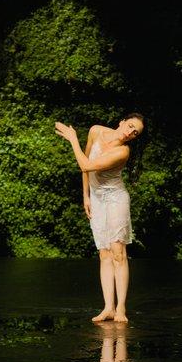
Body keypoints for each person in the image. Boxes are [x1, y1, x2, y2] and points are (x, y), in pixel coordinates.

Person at [55, 114, 144, 323]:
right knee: (104, 253)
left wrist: (72, 139)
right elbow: (84, 166)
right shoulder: (96, 131)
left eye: (135, 132)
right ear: (122, 122)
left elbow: (86, 165)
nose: (130, 132)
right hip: (97, 199)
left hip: (115, 198)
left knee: (118, 252)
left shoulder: (123, 152)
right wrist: (86, 195)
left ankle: (120, 308)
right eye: (130, 126)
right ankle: (108, 308)